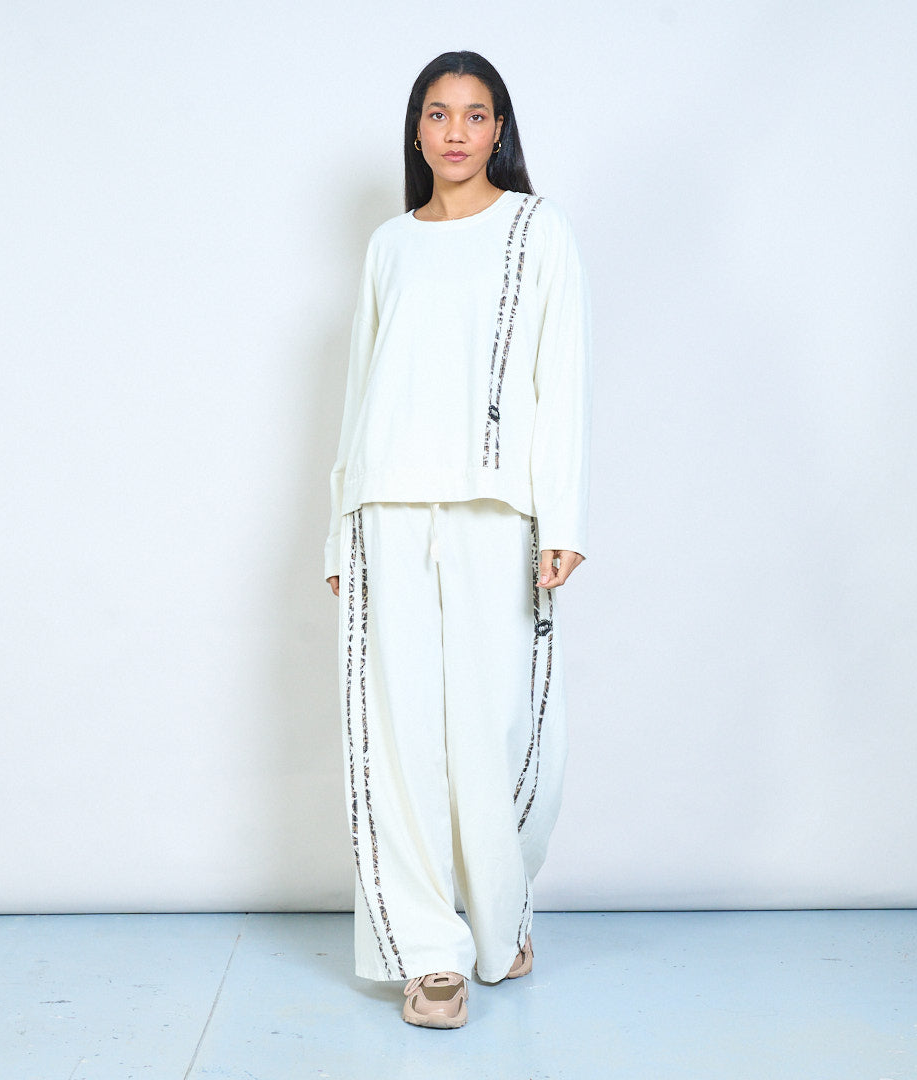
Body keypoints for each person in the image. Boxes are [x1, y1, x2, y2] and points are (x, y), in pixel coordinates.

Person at [324, 50, 591, 1029]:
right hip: (388, 509)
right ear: (416, 129)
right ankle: (428, 955)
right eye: (438, 114)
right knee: (398, 737)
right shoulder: (389, 244)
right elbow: (361, 390)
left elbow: (560, 378)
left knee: (501, 731)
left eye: (475, 116)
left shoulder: (536, 229)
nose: (455, 133)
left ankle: (501, 912)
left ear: (499, 130)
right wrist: (338, 532)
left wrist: (562, 519)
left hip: (496, 508)